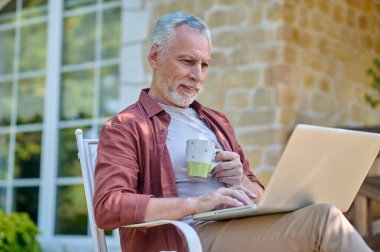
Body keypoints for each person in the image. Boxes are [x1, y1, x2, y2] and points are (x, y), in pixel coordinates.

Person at [94, 12, 372, 252]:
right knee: (324, 220)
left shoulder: (216, 121)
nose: (197, 75)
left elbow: (260, 196)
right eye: (187, 61)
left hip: (237, 226)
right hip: (185, 239)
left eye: (204, 65)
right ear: (155, 57)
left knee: (319, 215)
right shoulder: (127, 125)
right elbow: (108, 206)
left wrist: (239, 180)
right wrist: (197, 203)